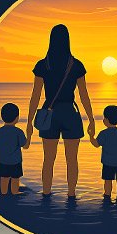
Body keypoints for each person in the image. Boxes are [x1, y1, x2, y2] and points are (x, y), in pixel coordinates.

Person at [22, 23, 95, 201]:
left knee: (48, 159)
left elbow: (35, 96)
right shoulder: (76, 65)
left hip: (49, 113)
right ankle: (71, 195)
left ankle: (46, 193)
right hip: (70, 113)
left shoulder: (43, 65)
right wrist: (91, 119)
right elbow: (84, 95)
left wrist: (29, 122)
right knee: (72, 159)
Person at [94, 104, 117, 203]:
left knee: (108, 180)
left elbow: (96, 144)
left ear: (106, 120)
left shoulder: (103, 133)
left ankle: (107, 195)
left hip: (107, 163)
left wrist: (91, 136)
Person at [0, 101, 28, 196]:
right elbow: (25, 145)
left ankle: (3, 193)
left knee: (4, 178)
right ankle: (15, 192)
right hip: (15, 162)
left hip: (3, 162)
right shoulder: (18, 132)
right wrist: (29, 135)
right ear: (17, 118)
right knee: (15, 178)